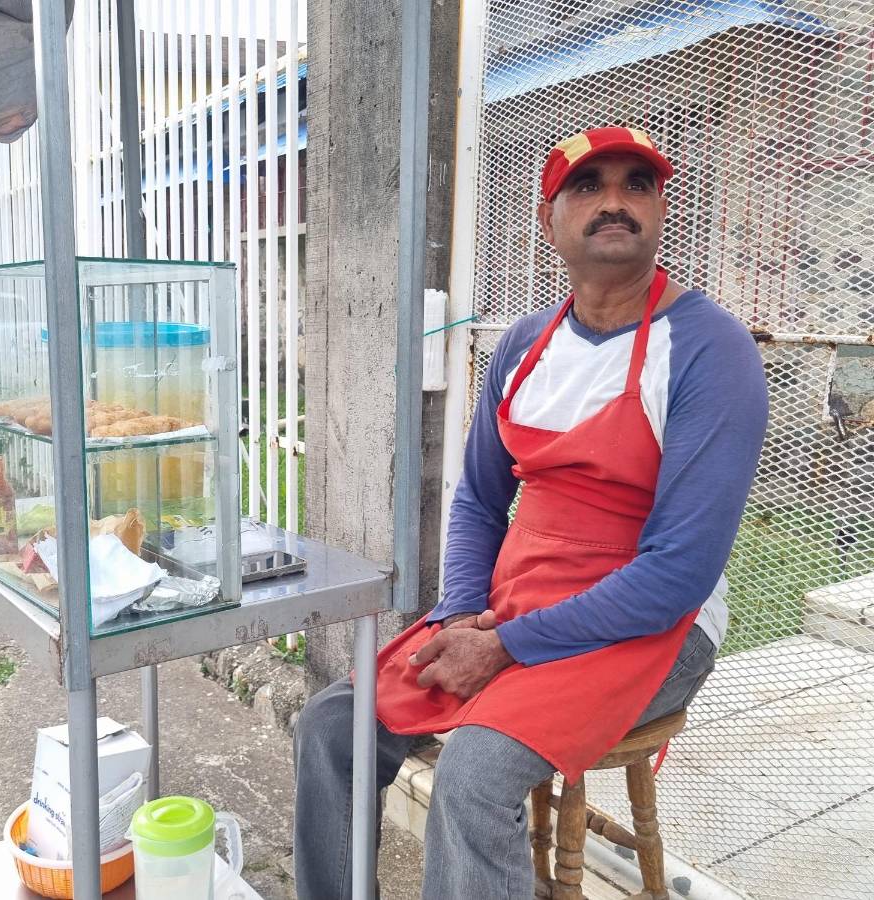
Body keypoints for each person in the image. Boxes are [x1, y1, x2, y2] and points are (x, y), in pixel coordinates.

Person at [293, 126, 769, 899]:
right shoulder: (523, 346)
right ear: (549, 221)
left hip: (651, 626)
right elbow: (481, 499)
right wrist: (461, 615)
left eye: (636, 185)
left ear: (661, 211)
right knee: (330, 728)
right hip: (514, 605)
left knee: (473, 777)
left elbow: (677, 576)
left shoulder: (710, 351)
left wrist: (505, 646)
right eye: (588, 185)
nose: (614, 201)